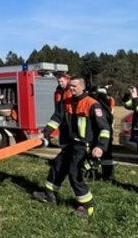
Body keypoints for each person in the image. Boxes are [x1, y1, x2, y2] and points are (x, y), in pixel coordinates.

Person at [34, 77, 111, 217]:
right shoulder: (66, 103)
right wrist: (45, 133)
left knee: (75, 174)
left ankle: (87, 206)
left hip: (84, 146)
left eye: (74, 86)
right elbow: (56, 118)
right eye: (70, 86)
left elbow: (105, 128)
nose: (71, 89)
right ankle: (49, 195)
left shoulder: (92, 105)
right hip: (70, 144)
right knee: (57, 167)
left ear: (82, 86)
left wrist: (100, 147)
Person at [42, 71, 74, 188]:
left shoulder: (72, 91)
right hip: (65, 128)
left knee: (68, 160)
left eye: (62, 81)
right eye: (58, 81)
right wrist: (46, 132)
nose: (60, 83)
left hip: (74, 129)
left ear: (67, 79)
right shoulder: (58, 92)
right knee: (65, 155)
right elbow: (58, 114)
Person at [91, 86, 117, 181]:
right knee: (107, 155)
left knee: (95, 154)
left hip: (99, 134)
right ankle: (108, 175)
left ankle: (92, 174)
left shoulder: (97, 106)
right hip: (107, 135)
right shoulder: (107, 105)